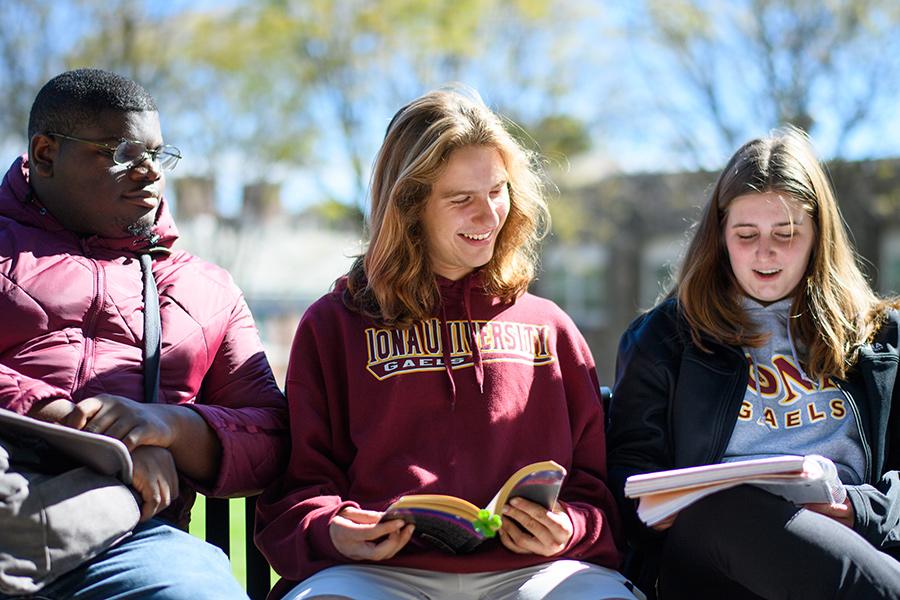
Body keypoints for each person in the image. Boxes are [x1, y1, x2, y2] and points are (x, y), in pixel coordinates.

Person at [255, 88, 640, 600]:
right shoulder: (334, 325)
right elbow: (299, 489)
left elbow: (597, 492)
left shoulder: (549, 326)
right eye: (461, 199)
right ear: (410, 207)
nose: (489, 216)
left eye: (498, 191)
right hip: (378, 574)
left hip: (535, 572)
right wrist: (334, 528)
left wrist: (570, 525)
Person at [0, 68, 288, 599]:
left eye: (158, 154)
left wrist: (168, 429)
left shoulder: (206, 289)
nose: (149, 172)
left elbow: (271, 436)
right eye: (120, 153)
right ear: (45, 155)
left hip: (125, 542)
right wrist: (97, 438)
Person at [606, 126, 900, 599]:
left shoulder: (878, 339)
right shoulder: (664, 338)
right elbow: (627, 473)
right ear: (720, 236)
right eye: (746, 234)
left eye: (786, 233)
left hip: (847, 537)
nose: (766, 252)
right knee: (726, 507)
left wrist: (855, 508)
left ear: (817, 236)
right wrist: (663, 510)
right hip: (712, 560)